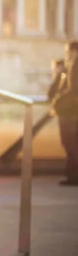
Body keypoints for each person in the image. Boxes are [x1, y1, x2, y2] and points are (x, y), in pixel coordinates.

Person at [50, 42, 78, 186]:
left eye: (68, 51)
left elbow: (73, 90)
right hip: (72, 113)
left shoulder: (73, 66)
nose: (66, 54)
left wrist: (57, 101)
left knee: (70, 146)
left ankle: (73, 176)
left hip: (70, 113)